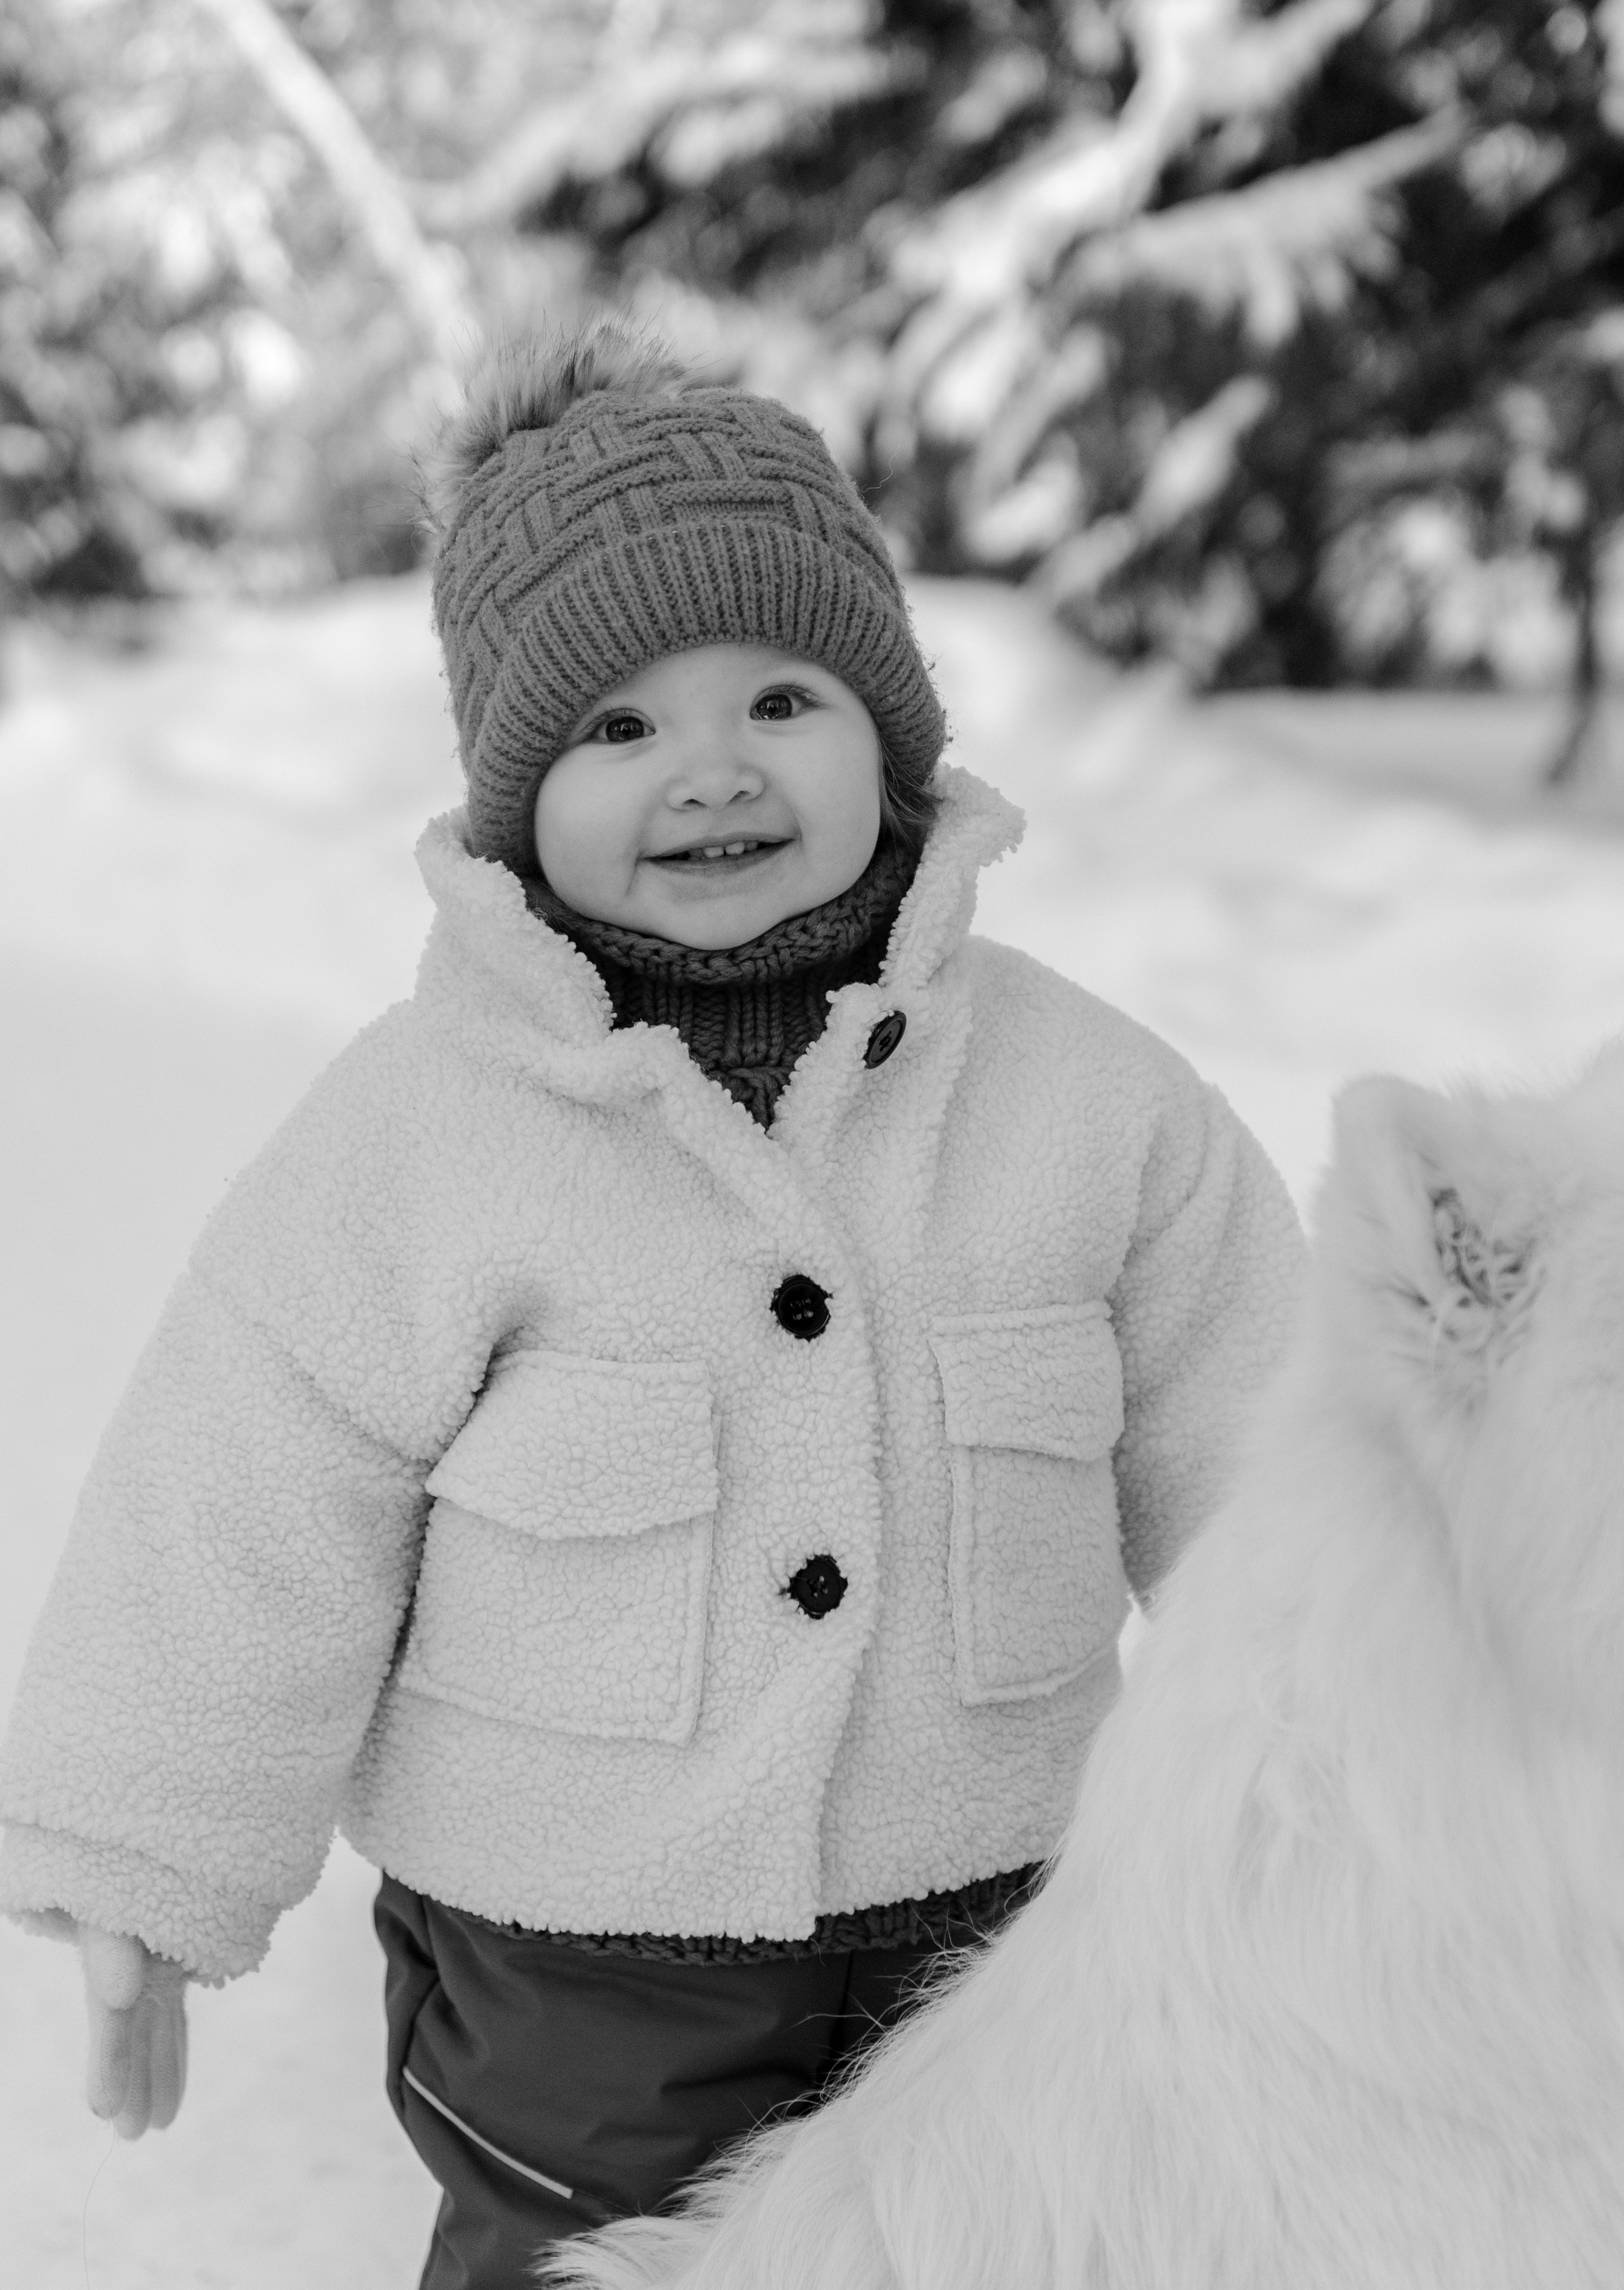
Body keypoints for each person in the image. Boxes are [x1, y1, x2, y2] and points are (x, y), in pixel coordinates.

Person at [0, 324, 1305, 2290]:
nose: (708, 772)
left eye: (781, 697)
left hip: (1011, 1908)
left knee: (1016, 2241)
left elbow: (1277, 1461)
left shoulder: (1091, 1108)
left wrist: (1345, 1753)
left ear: (894, 735)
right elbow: (245, 1495)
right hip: (575, 1955)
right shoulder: (421, 1137)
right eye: (614, 728)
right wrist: (147, 1868)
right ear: (519, 786)